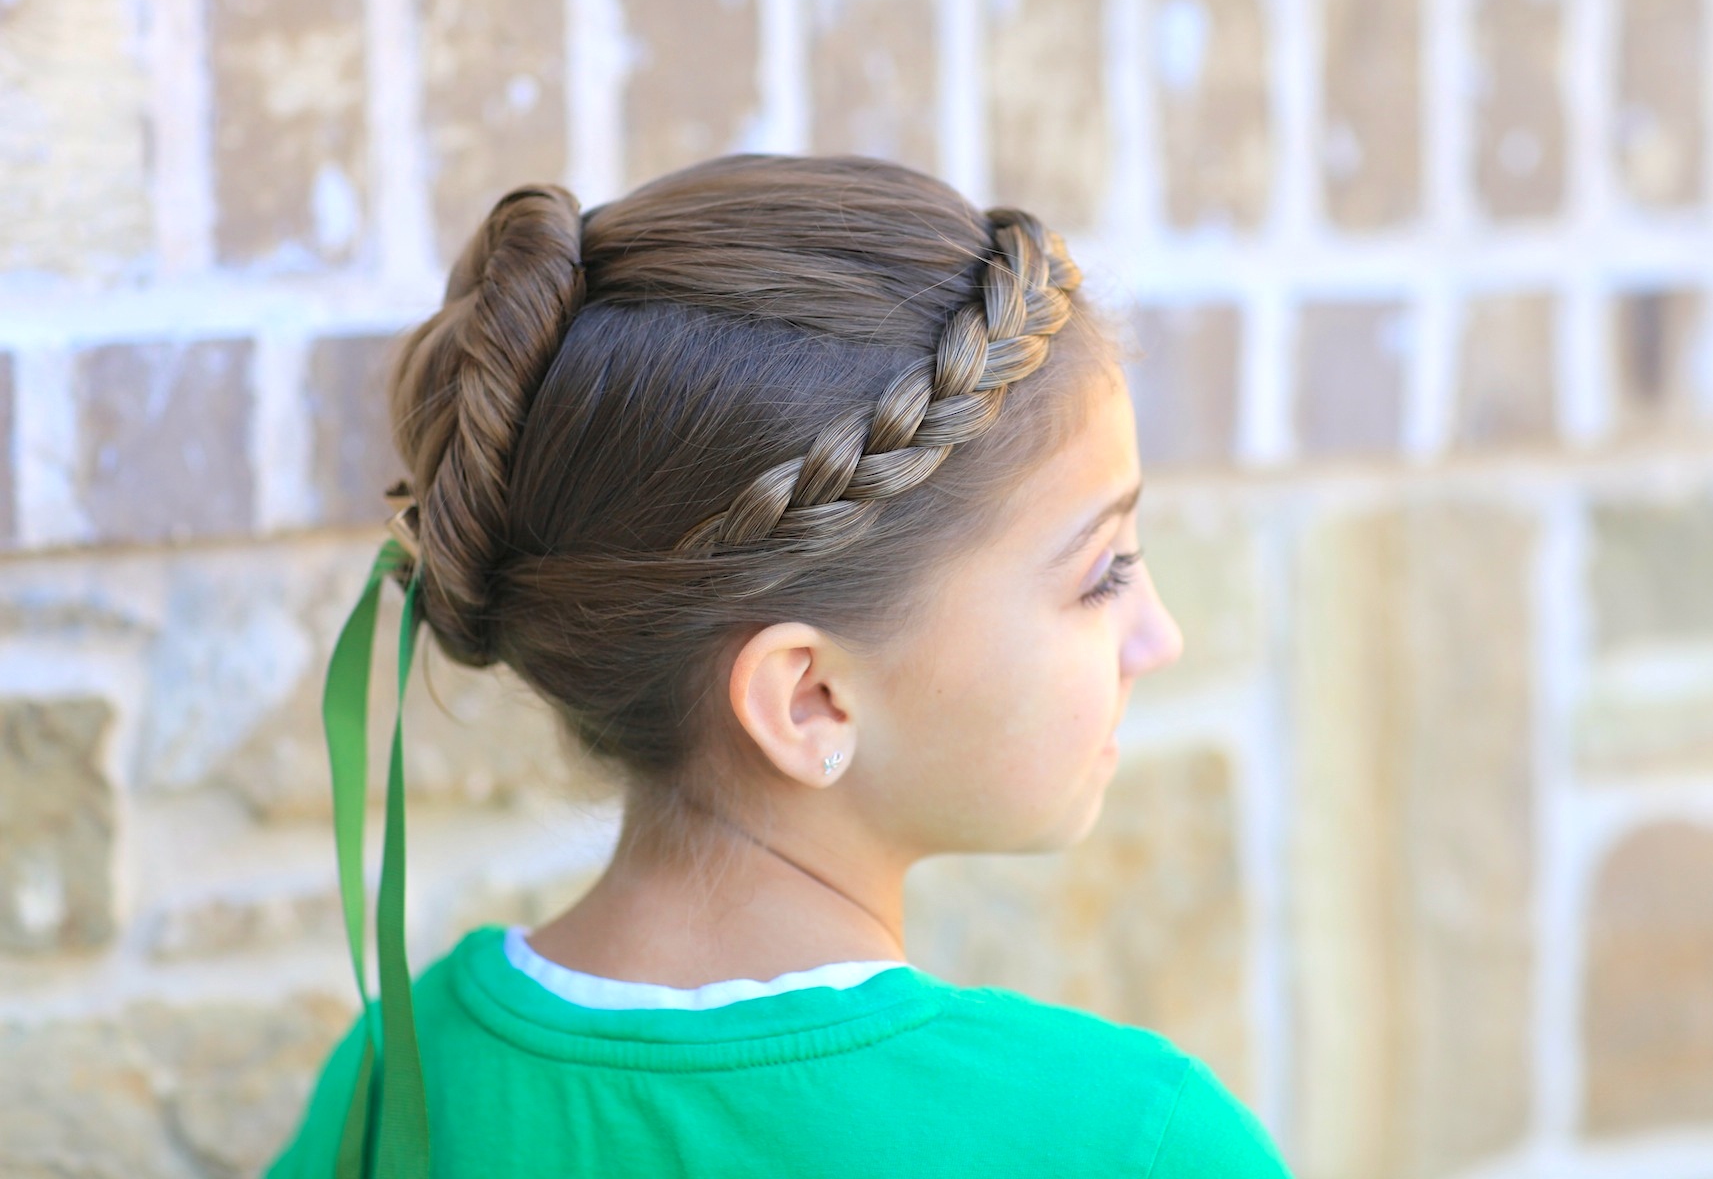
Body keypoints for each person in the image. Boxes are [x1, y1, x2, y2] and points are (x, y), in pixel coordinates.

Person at [267, 153, 1291, 1177]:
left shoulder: (399, 1080)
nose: (1160, 639)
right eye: (1103, 574)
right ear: (809, 701)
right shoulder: (1128, 1138)